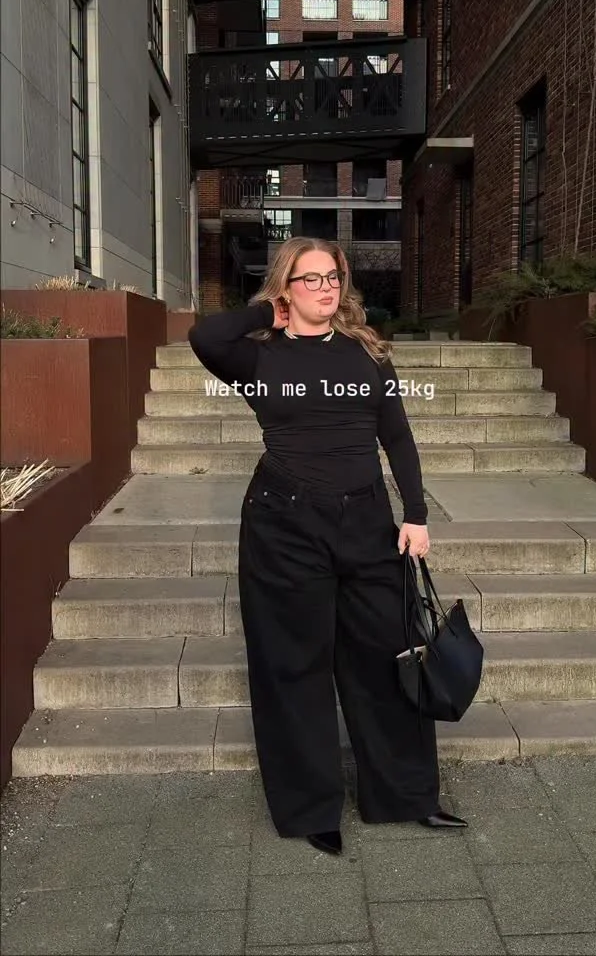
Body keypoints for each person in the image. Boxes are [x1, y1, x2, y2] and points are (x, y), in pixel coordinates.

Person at [188, 237, 467, 855]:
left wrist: (416, 514)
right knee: (293, 665)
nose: (326, 289)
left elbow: (397, 436)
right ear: (285, 287)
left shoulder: (367, 351)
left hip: (367, 520)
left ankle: (406, 796)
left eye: (333, 277)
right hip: (283, 525)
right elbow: (204, 336)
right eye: (310, 279)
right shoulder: (255, 356)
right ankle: (310, 807)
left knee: (386, 658)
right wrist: (268, 312)